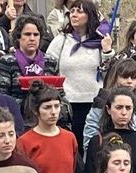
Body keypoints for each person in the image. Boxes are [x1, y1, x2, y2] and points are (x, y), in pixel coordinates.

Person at [46, 0, 113, 147]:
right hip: (67, 104)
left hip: (93, 103)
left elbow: (108, 73)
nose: (74, 14)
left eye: (79, 11)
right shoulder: (61, 41)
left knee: (92, 145)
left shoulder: (99, 42)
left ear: (90, 16)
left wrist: (107, 51)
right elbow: (48, 70)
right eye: (72, 11)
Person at [17, 82, 78, 173]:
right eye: (47, 107)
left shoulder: (69, 138)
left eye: (57, 106)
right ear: (36, 110)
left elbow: (72, 170)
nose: (53, 112)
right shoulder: (25, 141)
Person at [83, 59, 136, 156]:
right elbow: (90, 141)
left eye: (133, 78)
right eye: (125, 77)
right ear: (115, 78)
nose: (129, 81)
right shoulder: (101, 103)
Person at [0, 15, 61, 105]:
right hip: (17, 115)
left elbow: (60, 94)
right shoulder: (6, 62)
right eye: (27, 34)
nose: (32, 38)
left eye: (36, 34)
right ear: (18, 37)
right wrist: (34, 104)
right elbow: (0, 97)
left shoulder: (51, 62)